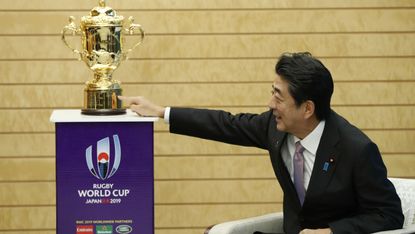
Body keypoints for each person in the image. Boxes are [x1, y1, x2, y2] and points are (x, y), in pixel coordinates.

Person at [118, 52, 404, 234]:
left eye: (279, 97)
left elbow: (389, 214)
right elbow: (225, 124)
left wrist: (331, 232)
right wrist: (162, 113)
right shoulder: (275, 128)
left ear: (307, 108)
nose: (270, 104)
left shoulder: (356, 149)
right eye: (272, 93)